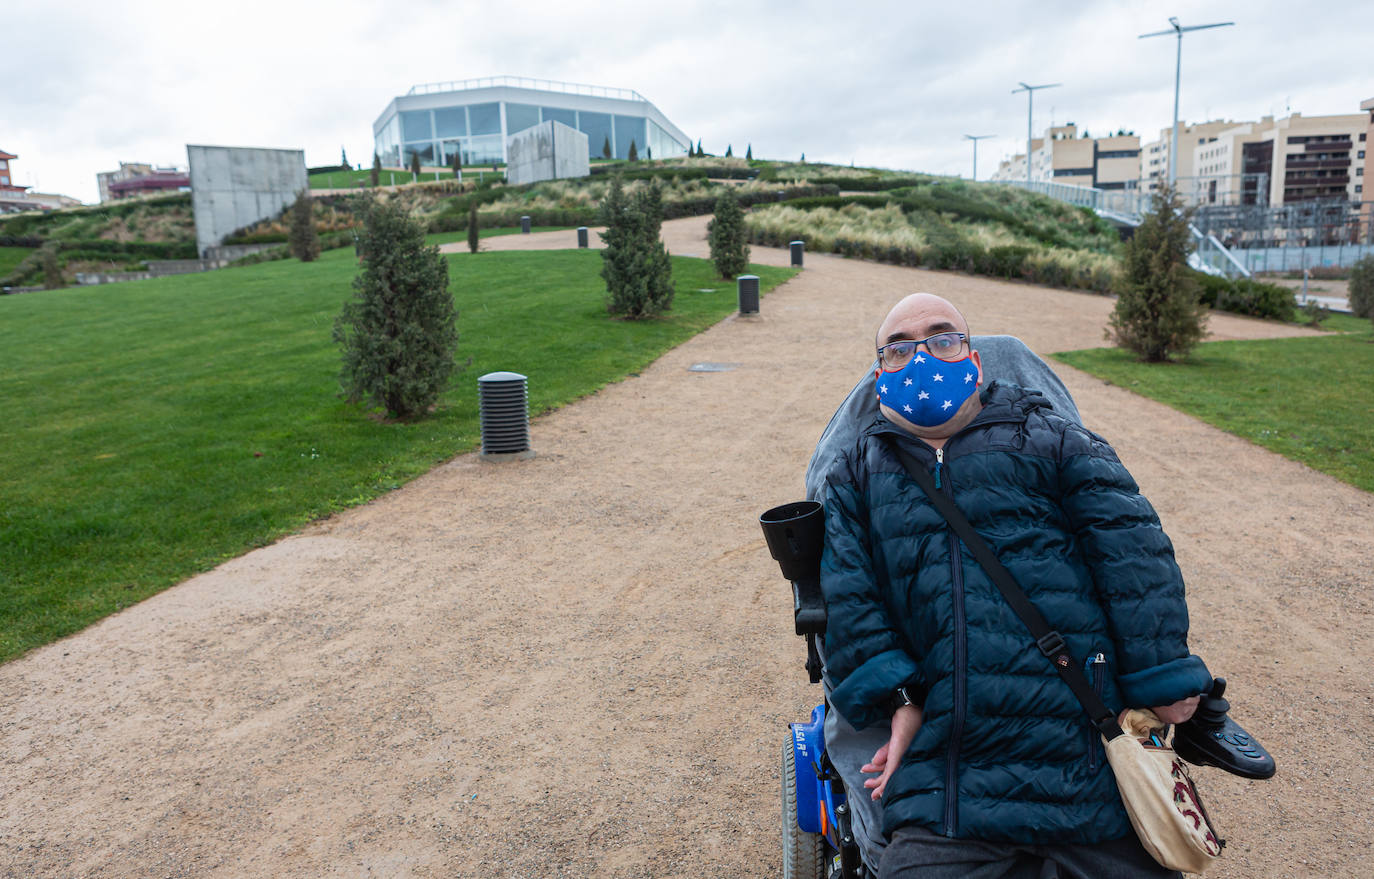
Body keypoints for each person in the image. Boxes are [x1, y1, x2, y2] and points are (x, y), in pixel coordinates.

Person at [816, 293, 1211, 878]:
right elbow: (849, 598)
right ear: (881, 374)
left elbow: (1132, 554)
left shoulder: (1050, 437)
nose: (921, 356)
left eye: (942, 338)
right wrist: (898, 699)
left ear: (973, 357)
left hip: (1086, 754)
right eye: (899, 348)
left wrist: (1162, 676)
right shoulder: (857, 473)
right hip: (947, 772)